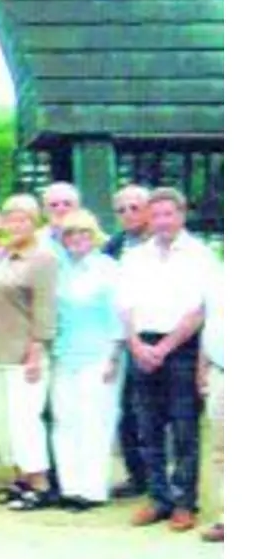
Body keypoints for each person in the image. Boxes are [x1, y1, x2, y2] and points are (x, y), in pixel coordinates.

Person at [118, 187, 220, 533]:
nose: (162, 221)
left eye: (168, 214)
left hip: (181, 347)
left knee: (184, 428)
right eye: (156, 215)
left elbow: (199, 310)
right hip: (141, 346)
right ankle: (158, 497)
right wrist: (135, 344)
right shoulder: (135, 256)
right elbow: (125, 305)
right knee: (147, 427)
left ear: (181, 215)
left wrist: (164, 348)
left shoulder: (200, 255)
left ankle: (183, 502)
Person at [0, 194, 60, 511]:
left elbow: (45, 308)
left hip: (24, 353)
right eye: (9, 218)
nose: (15, 224)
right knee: (3, 423)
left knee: (26, 421)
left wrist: (37, 349)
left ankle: (40, 484)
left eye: (22, 218)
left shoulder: (43, 259)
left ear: (35, 222)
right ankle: (19, 481)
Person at [50, 209, 125, 511]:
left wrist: (114, 356)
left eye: (83, 233)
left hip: (100, 355)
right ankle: (70, 486)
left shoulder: (108, 268)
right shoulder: (59, 268)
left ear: (93, 236)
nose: (77, 239)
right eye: (70, 234)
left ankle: (92, 490)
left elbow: (120, 315)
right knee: (65, 419)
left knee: (95, 420)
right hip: (63, 354)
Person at [103, 183, 152, 500]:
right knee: (127, 409)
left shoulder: (163, 242)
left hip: (157, 333)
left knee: (156, 410)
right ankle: (138, 475)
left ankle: (162, 476)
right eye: (121, 209)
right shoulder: (114, 246)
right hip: (122, 336)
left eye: (135, 207)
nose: (128, 214)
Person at [199, 258, 225, 544]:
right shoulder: (219, 280)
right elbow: (211, 327)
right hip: (220, 371)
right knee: (222, 451)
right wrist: (202, 367)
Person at [40, 182, 80, 253]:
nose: (60, 209)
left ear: (77, 208)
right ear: (44, 211)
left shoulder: (94, 239)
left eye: (67, 204)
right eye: (54, 205)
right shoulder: (35, 241)